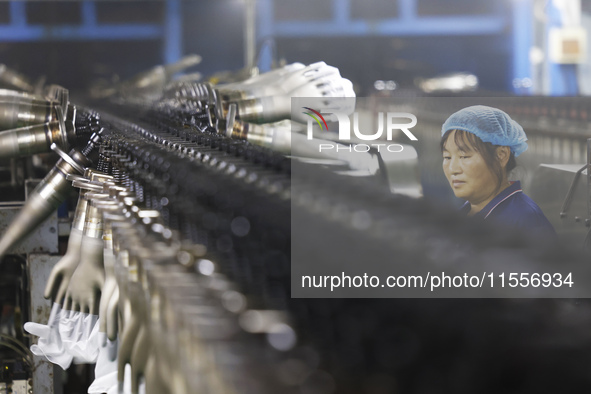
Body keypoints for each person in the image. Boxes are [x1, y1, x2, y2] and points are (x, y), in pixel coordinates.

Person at [441, 105, 556, 240]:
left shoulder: (526, 221)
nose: (453, 169)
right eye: (447, 157)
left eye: (464, 157)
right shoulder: (467, 212)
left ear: (501, 155)